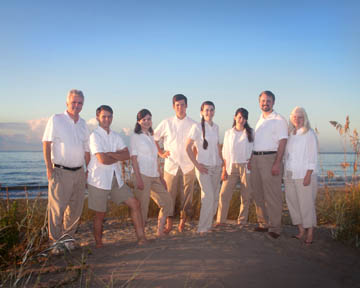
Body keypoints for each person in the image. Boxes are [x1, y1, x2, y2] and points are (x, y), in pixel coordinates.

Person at [87, 105, 146, 248]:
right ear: (98, 118)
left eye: (109, 116)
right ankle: (99, 244)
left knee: (135, 204)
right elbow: (102, 160)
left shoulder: (116, 136)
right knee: (100, 214)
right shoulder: (94, 136)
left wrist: (111, 154)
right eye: (104, 116)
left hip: (116, 179)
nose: (107, 119)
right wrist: (116, 156)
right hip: (98, 180)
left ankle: (141, 238)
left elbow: (127, 154)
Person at [42, 89, 90, 254]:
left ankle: (68, 240)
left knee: (75, 209)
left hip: (79, 172)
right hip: (61, 171)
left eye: (80, 103)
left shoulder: (83, 124)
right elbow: (46, 143)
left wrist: (87, 170)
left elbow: (87, 150)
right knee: (57, 210)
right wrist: (49, 168)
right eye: (74, 102)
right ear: (67, 103)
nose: (77, 106)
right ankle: (55, 244)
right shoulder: (56, 119)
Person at [154, 94, 196, 233]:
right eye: (177, 105)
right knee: (169, 196)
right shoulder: (166, 122)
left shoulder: (193, 124)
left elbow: (197, 144)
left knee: (187, 197)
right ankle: (168, 224)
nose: (180, 108)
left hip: (188, 166)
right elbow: (153, 138)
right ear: (173, 107)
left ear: (187, 106)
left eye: (183, 105)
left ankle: (182, 224)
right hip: (171, 166)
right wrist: (160, 152)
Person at [249, 90, 288, 239]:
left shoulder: (279, 120)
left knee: (273, 195)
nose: (265, 103)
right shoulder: (260, 119)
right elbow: (257, 142)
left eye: (268, 101)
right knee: (258, 193)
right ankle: (263, 223)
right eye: (263, 101)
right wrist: (251, 159)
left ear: (273, 102)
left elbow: (283, 142)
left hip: (270, 159)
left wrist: (277, 163)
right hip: (257, 159)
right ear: (259, 102)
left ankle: (275, 227)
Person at [130, 109, 173, 237]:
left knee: (167, 201)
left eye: (149, 119)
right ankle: (141, 236)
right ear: (139, 121)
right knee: (143, 208)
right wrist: (138, 178)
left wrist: (161, 177)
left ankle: (159, 231)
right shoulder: (135, 137)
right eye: (144, 119)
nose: (147, 121)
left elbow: (155, 158)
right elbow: (133, 158)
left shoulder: (151, 136)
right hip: (142, 175)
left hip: (154, 175)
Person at [186, 101, 223, 234]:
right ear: (201, 112)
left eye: (212, 110)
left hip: (216, 166)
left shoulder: (216, 127)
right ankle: (202, 228)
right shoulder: (196, 127)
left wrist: (222, 162)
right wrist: (197, 165)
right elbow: (188, 148)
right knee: (208, 196)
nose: (209, 112)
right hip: (203, 167)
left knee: (214, 197)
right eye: (206, 110)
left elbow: (217, 146)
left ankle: (209, 225)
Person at [284, 107, 318, 244]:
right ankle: (301, 230)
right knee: (292, 203)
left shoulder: (309, 133)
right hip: (289, 174)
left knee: (306, 204)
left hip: (304, 174)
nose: (297, 120)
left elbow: (312, 156)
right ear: (291, 118)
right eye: (295, 117)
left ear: (305, 118)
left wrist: (308, 174)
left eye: (300, 117)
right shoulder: (290, 134)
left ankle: (310, 232)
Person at [216, 108, 254, 227]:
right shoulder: (228, 133)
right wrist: (224, 170)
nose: (241, 120)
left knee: (246, 195)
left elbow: (255, 148)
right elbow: (225, 152)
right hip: (231, 166)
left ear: (246, 119)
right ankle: (221, 220)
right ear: (235, 117)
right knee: (224, 194)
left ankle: (242, 221)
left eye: (244, 118)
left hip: (246, 167)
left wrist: (251, 160)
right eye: (239, 117)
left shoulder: (251, 132)